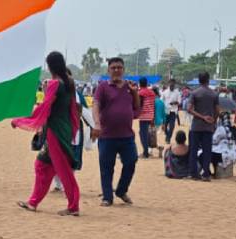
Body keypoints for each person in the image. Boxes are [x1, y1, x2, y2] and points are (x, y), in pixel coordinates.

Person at [11, 51, 81, 216]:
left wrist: (20, 120)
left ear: (49, 66)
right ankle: (33, 202)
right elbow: (73, 109)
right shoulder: (69, 82)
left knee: (63, 169)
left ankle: (73, 206)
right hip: (63, 129)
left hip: (55, 131)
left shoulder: (55, 84)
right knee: (42, 165)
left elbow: (45, 107)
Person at [91, 58, 140, 206]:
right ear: (108, 70)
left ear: (123, 69)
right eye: (113, 68)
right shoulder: (103, 87)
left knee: (131, 161)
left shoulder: (129, 87)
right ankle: (107, 197)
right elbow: (96, 105)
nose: (116, 70)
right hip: (107, 136)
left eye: (119, 67)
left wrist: (134, 93)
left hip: (126, 136)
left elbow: (136, 106)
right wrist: (97, 124)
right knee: (106, 168)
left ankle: (121, 190)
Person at [187, 72, 219, 181]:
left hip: (196, 126)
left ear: (199, 80)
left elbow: (189, 109)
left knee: (193, 150)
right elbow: (217, 110)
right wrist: (212, 120)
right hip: (208, 126)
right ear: (208, 80)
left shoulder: (195, 93)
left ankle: (194, 173)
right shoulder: (213, 94)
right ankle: (206, 174)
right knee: (207, 150)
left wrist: (201, 117)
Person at [136, 76, 156, 159]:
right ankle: (147, 150)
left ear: (140, 84)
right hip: (151, 115)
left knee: (143, 134)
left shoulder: (140, 92)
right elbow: (153, 105)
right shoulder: (152, 92)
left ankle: (145, 153)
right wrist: (153, 116)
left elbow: (139, 104)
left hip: (144, 115)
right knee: (147, 133)